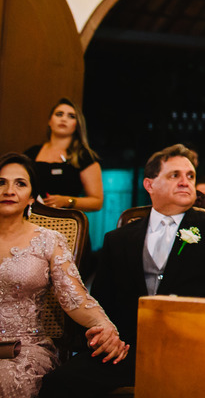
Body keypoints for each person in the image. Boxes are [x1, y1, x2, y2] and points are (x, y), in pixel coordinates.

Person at [39, 144, 205, 397]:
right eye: (175, 175)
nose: (185, 182)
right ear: (149, 185)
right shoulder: (117, 239)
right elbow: (103, 303)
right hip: (127, 352)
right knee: (58, 383)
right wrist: (110, 340)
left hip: (193, 351)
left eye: (190, 176)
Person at [0, 153, 127, 398]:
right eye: (1, 182)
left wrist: (104, 326)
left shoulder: (48, 240)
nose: (9, 190)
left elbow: (74, 298)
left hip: (23, 350)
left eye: (20, 183)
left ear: (31, 196)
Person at [24, 99, 103, 214]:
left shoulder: (84, 157)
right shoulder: (31, 153)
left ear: (77, 125)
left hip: (66, 223)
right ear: (50, 121)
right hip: (32, 220)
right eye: (59, 114)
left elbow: (97, 202)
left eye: (71, 116)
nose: (64, 119)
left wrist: (67, 201)